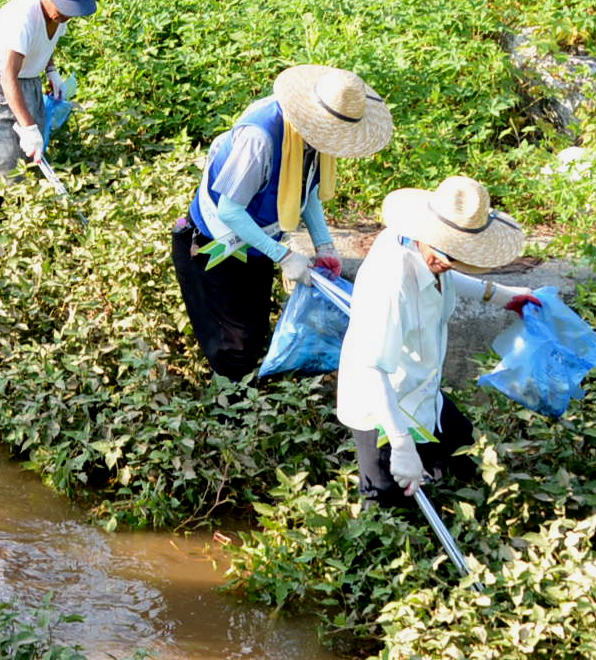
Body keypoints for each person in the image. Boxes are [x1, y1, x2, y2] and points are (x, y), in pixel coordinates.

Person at [173, 65, 393, 380]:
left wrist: (325, 245)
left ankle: (244, 398)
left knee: (255, 330)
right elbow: (230, 211)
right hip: (212, 246)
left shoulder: (310, 142)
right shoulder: (260, 138)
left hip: (256, 243)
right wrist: (285, 255)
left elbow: (308, 191)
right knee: (233, 346)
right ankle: (227, 416)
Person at [338, 177, 537, 508]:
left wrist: (502, 296)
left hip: (419, 389)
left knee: (462, 449)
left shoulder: (425, 249)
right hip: (380, 404)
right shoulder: (391, 280)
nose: (449, 260)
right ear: (426, 232)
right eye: (446, 251)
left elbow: (444, 270)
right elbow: (371, 367)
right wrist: (401, 444)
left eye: (458, 254)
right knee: (387, 501)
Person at [0, 0, 97, 197]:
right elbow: (8, 76)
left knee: (33, 155)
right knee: (6, 157)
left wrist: (51, 71)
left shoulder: (59, 14)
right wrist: (27, 128)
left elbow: (46, 42)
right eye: (63, 7)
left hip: (28, 81)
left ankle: (25, 213)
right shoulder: (22, 18)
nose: (67, 15)